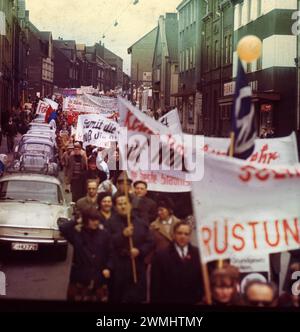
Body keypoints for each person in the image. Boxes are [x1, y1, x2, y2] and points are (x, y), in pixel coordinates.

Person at [107, 192, 154, 303]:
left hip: (136, 266)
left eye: (125, 203)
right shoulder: (110, 223)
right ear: (115, 207)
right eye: (120, 204)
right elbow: (106, 243)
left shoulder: (141, 223)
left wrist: (139, 250)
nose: (123, 206)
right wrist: (122, 235)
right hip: (118, 267)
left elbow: (150, 242)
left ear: (130, 205)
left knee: (136, 298)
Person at [58, 209, 113, 302]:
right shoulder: (77, 233)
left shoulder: (104, 234)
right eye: (92, 220)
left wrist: (108, 267)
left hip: (98, 277)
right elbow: (63, 228)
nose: (95, 222)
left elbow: (111, 253)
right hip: (80, 277)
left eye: (97, 220)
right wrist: (76, 221)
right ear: (86, 220)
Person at [150, 221, 203, 304]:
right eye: (179, 233)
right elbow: (155, 286)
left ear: (190, 236)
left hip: (192, 300)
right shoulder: (161, 255)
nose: (183, 237)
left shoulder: (198, 254)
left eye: (186, 234)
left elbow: (201, 281)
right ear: (174, 234)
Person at [145, 197, 180, 265]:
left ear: (169, 210)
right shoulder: (153, 226)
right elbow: (150, 245)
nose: (159, 212)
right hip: (160, 261)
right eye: (158, 210)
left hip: (177, 260)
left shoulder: (179, 224)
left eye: (162, 210)